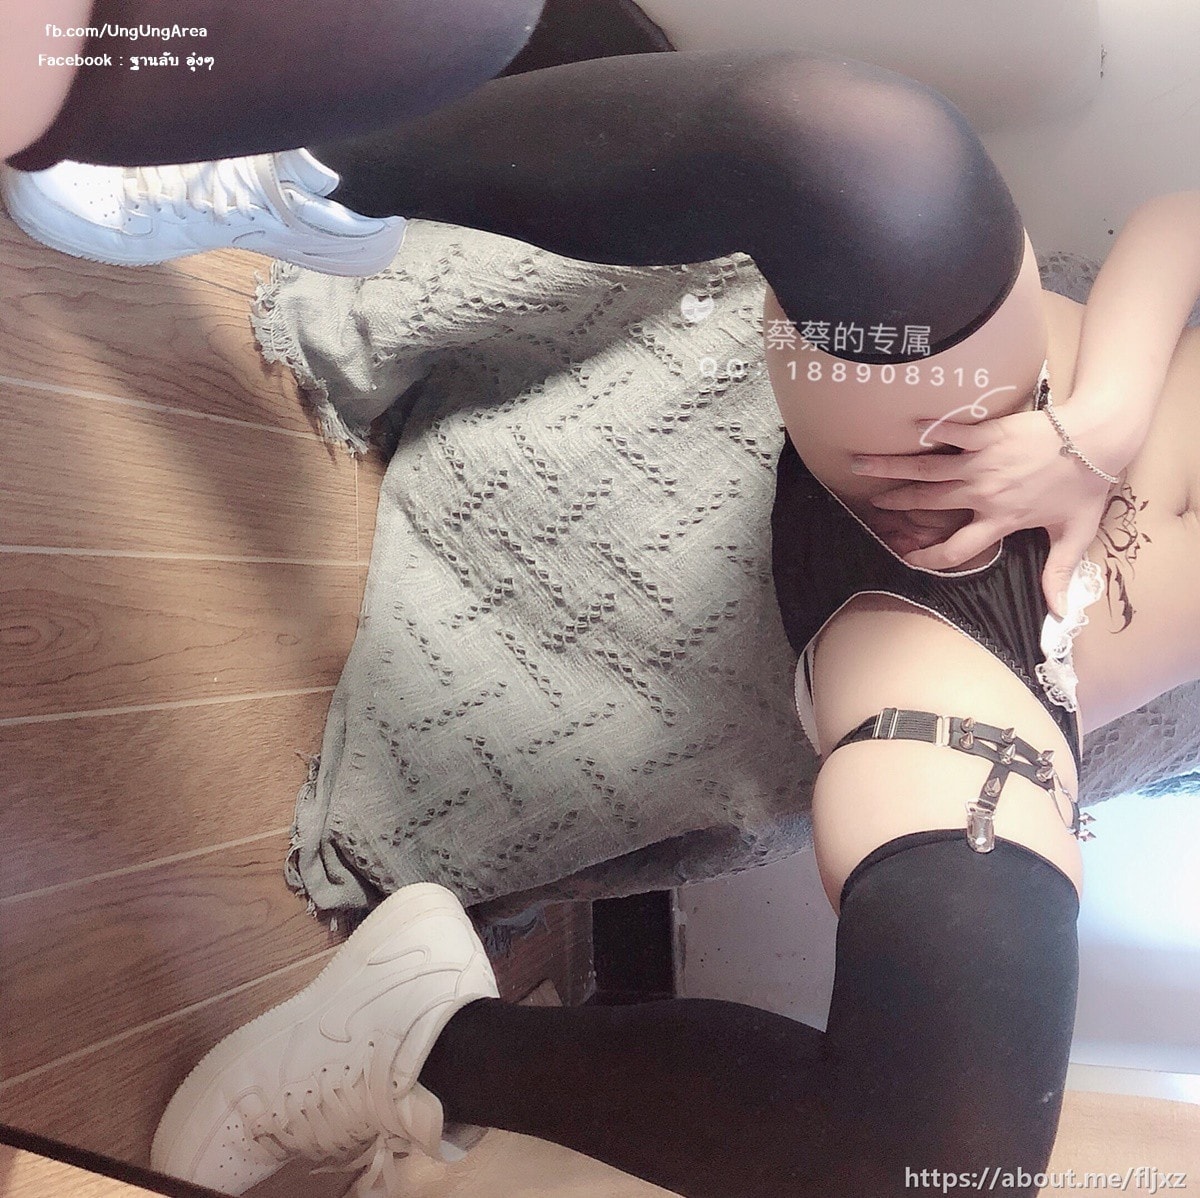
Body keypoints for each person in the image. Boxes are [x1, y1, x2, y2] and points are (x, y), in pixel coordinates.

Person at [95, 49, 1197, 1198]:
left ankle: (414, 1042)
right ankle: (300, 175)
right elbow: (1183, 223)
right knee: (864, 148)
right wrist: (1102, 430)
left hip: (1004, 661)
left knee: (946, 1164)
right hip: (993, 404)